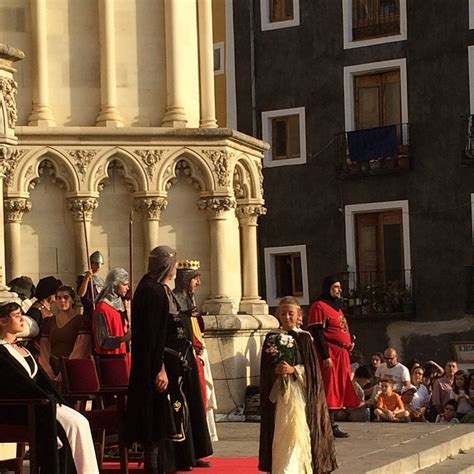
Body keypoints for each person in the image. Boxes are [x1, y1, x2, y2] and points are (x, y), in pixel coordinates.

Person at [0, 301, 99, 474]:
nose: (22, 319)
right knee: (69, 426)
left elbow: (40, 380)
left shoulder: (23, 348)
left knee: (80, 422)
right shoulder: (2, 353)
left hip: (41, 402)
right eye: (16, 316)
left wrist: (55, 399)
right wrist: (45, 400)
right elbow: (15, 384)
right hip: (21, 408)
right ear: (2, 321)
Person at [126, 246, 194, 474]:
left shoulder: (151, 287)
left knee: (158, 421)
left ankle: (160, 464)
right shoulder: (153, 292)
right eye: (173, 263)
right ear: (167, 266)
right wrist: (160, 368)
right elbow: (153, 336)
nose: (176, 268)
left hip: (154, 362)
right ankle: (153, 468)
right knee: (154, 421)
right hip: (153, 365)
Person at [259, 296, 337, 474]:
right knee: (281, 429)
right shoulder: (272, 338)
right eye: (283, 313)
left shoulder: (304, 338)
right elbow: (265, 368)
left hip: (298, 392)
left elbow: (312, 370)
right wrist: (276, 370)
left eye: (290, 314)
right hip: (278, 393)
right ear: (278, 315)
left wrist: (294, 369)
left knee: (297, 429)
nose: (287, 317)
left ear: (298, 315)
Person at [308, 275, 361, 438]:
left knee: (339, 387)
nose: (339, 290)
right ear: (328, 288)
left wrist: (348, 343)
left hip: (341, 353)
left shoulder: (336, 308)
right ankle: (329, 424)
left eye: (339, 287)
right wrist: (325, 356)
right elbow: (317, 332)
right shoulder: (319, 306)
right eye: (336, 287)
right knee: (330, 388)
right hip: (330, 353)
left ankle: (332, 423)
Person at [174, 259, 218, 443]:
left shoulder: (189, 300)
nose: (198, 283)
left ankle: (200, 444)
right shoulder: (176, 302)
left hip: (196, 355)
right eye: (195, 279)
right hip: (185, 357)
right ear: (185, 279)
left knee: (200, 398)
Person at [39, 286, 92, 382]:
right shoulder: (49, 322)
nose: (62, 301)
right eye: (59, 298)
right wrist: (47, 369)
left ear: (72, 300)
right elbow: (44, 347)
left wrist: (66, 370)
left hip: (73, 367)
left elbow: (81, 348)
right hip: (53, 366)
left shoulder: (81, 321)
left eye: (66, 297)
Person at [92, 268, 131, 364]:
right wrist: (123, 338)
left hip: (124, 356)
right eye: (124, 284)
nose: (127, 288)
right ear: (114, 285)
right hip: (110, 360)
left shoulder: (121, 306)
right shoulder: (102, 308)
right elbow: (102, 341)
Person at [77, 250, 105, 324]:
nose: (98, 266)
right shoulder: (83, 277)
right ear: (91, 263)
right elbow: (81, 293)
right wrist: (87, 278)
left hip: (99, 311)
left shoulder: (100, 280)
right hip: (89, 311)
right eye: (96, 263)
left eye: (100, 264)